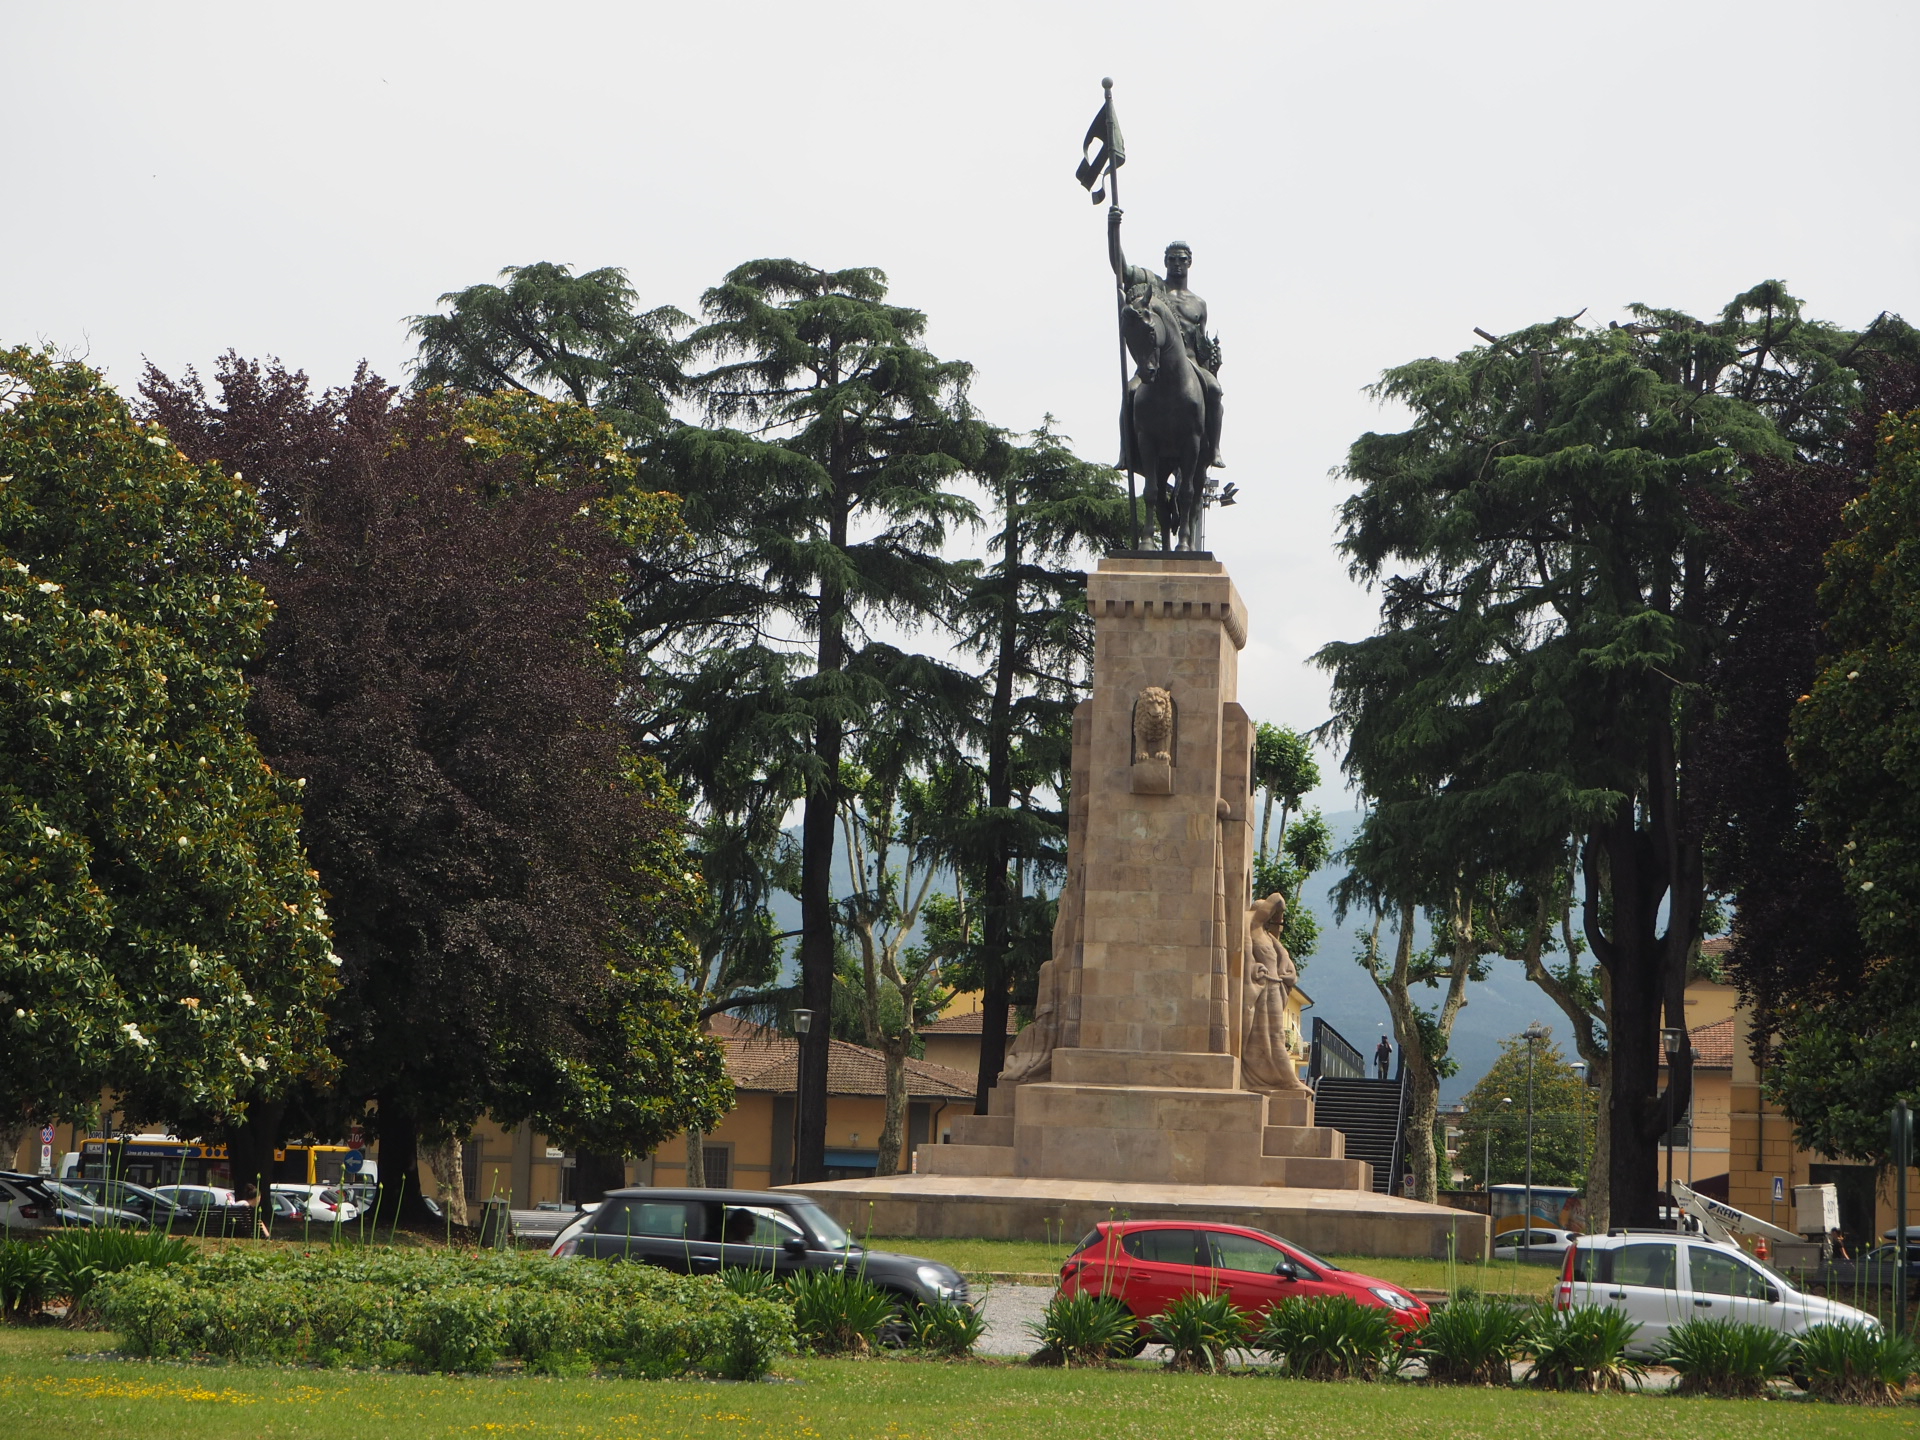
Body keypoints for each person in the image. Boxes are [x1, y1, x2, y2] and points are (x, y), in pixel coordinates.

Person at [1107, 205, 1224, 471]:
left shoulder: (1199, 303)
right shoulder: (1154, 287)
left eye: (1181, 259)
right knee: (1129, 392)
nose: (1176, 264)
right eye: (1171, 259)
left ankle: (1214, 449)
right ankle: (1126, 451)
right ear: (1165, 262)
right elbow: (1120, 268)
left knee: (1215, 390)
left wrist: (1212, 363)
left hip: (1190, 362)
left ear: (1189, 262)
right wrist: (1113, 229)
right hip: (1155, 362)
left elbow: (1200, 343)